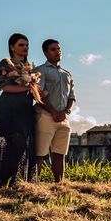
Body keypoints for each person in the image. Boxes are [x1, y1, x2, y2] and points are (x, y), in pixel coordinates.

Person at [0, 33, 36, 188]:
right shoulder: (6, 63)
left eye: (27, 45)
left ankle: (14, 181)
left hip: (25, 110)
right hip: (8, 108)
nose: (25, 48)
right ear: (12, 47)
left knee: (21, 145)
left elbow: (32, 90)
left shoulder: (29, 67)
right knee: (11, 144)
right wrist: (27, 86)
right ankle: (4, 182)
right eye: (21, 45)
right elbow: (5, 86)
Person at [35, 39, 76, 183]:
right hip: (45, 116)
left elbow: (72, 97)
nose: (57, 52)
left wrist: (66, 112)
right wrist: (52, 111)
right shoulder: (41, 70)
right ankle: (34, 186)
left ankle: (59, 185)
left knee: (60, 153)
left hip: (63, 118)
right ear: (45, 53)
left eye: (59, 49)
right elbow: (38, 94)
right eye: (53, 49)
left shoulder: (67, 74)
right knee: (39, 153)